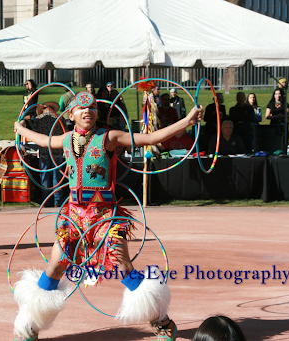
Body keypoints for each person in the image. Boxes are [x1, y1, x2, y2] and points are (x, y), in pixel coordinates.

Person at [12, 91, 202, 341]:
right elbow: (43, 140)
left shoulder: (109, 137)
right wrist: (19, 128)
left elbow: (150, 137)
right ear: (71, 115)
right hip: (74, 216)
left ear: (98, 113)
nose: (87, 112)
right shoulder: (67, 139)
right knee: (56, 265)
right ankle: (30, 325)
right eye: (81, 109)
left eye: (91, 108)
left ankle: (162, 322)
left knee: (124, 268)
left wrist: (187, 121)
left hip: (105, 216)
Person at [33, 102, 65, 207]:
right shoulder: (60, 118)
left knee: (44, 174)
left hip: (44, 149)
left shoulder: (39, 118)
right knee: (57, 175)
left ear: (43, 109)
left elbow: (35, 132)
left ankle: (46, 201)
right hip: (57, 148)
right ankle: (58, 201)